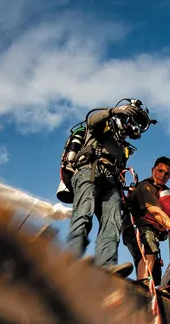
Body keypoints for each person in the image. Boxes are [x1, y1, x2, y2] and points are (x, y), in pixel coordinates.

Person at [65, 100, 155, 276]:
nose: (132, 127)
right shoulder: (100, 127)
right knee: (84, 213)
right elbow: (92, 120)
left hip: (111, 181)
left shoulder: (123, 147)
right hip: (89, 171)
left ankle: (106, 266)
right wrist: (114, 111)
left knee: (112, 223)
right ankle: (72, 257)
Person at [122, 156, 170, 285]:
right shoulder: (144, 187)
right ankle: (144, 286)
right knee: (149, 254)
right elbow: (155, 212)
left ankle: (152, 286)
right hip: (137, 228)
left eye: (166, 173)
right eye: (160, 171)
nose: (162, 175)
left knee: (156, 272)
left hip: (152, 232)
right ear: (153, 170)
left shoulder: (165, 192)